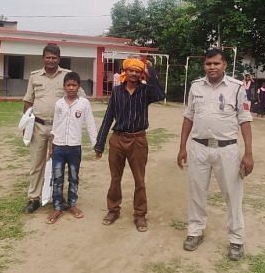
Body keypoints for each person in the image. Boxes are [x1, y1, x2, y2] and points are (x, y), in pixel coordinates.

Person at [177, 48, 253, 261]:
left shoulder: (236, 88)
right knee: (196, 192)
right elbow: (188, 117)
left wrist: (248, 153)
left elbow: (245, 119)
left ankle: (236, 239)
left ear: (225, 65)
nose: (212, 67)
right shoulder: (195, 87)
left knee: (233, 195)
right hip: (198, 148)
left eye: (216, 64)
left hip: (227, 149)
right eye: (208, 64)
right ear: (204, 65)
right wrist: (182, 147)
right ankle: (195, 232)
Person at [94, 58, 165, 232]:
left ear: (141, 73)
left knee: (139, 180)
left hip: (138, 140)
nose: (134, 74)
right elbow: (109, 117)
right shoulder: (117, 92)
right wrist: (100, 144)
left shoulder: (146, 91)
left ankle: (140, 215)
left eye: (137, 71)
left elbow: (160, 95)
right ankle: (113, 210)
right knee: (115, 178)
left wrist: (151, 73)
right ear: (125, 71)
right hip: (118, 139)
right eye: (131, 70)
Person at [22, 44, 85, 214]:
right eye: (48, 57)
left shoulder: (67, 76)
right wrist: (26, 124)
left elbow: (81, 98)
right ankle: (34, 198)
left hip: (60, 129)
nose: (51, 60)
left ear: (59, 59)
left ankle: (57, 197)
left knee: (59, 164)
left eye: (54, 58)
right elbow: (28, 101)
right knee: (37, 163)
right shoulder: (34, 76)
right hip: (38, 126)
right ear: (43, 58)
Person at [45, 72, 98, 225]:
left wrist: (96, 145)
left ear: (78, 87)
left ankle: (72, 205)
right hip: (59, 147)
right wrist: (51, 146)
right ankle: (57, 207)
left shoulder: (84, 104)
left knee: (74, 177)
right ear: (64, 87)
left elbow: (90, 124)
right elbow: (55, 126)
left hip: (75, 147)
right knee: (57, 177)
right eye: (68, 85)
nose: (71, 88)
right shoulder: (59, 104)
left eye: (74, 85)